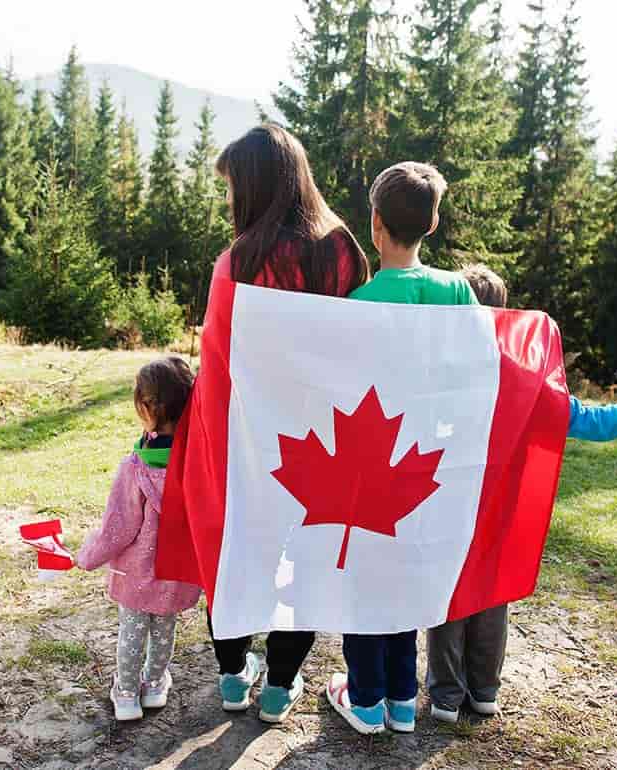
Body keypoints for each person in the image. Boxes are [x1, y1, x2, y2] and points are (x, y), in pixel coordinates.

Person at [423, 262, 617, 725]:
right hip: (504, 511)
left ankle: (446, 696)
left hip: (451, 503)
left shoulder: (441, 374)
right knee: (492, 593)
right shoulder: (530, 381)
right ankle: (484, 691)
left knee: (451, 592)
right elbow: (596, 423)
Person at [198, 124, 371, 724]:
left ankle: (231, 677)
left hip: (250, 438)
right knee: (311, 558)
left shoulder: (237, 261)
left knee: (238, 550)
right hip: (322, 438)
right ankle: (278, 685)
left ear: (253, 186)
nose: (228, 200)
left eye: (230, 187)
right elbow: (362, 346)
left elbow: (218, 361)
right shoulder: (342, 249)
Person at [324, 161, 479, 735]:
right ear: (432, 224)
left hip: (367, 468)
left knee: (366, 582)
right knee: (409, 576)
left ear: (375, 223)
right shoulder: (456, 291)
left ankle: (365, 701)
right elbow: (478, 374)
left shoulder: (357, 303)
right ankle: (402, 699)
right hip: (430, 467)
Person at [75, 357, 204, 721]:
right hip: (175, 572)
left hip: (136, 573)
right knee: (164, 629)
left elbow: (118, 529)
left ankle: (128, 694)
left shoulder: (134, 468)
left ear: (147, 408)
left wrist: (87, 555)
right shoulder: (198, 462)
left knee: (132, 631)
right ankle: (155, 684)